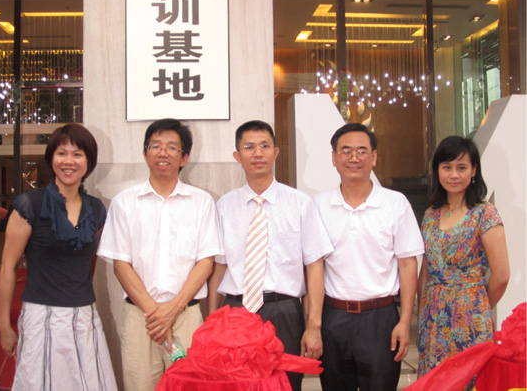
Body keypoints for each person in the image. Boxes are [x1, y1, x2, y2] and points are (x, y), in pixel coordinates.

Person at [97, 118, 222, 391]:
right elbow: (120, 264)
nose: (163, 152)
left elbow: (206, 262)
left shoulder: (202, 202)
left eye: (171, 147)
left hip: (186, 316)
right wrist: (156, 314)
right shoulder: (124, 202)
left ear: (184, 158)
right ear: (145, 154)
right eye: (155, 146)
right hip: (140, 318)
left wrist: (173, 309)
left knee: (190, 387)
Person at [208, 120, 333, 391]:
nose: (258, 153)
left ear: (275, 152)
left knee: (285, 384)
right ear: (237, 155)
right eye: (249, 147)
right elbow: (219, 267)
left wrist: (313, 326)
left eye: (264, 146)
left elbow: (314, 266)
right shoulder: (224, 206)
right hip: (235, 311)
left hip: (284, 312)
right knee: (235, 385)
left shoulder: (300, 203)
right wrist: (211, 321)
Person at [0, 124, 117, 390]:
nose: (68, 161)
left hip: (84, 315)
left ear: (89, 162)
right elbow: (7, 267)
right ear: (51, 158)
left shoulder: (96, 208)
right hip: (41, 316)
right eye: (62, 153)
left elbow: (89, 263)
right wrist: (4, 324)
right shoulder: (29, 205)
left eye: (77, 154)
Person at [314, 123, 424, 391]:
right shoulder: (318, 205)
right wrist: (312, 324)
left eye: (362, 151)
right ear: (334, 158)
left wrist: (405, 322)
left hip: (380, 319)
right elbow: (313, 267)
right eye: (346, 151)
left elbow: (408, 264)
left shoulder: (395, 203)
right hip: (333, 317)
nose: (354, 158)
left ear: (374, 157)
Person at [417, 136, 510, 384]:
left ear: (474, 170)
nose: (454, 175)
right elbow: (425, 269)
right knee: (434, 382)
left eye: (461, 167)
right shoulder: (430, 214)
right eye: (447, 167)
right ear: (437, 170)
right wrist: (422, 310)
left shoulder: (484, 213)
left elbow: (501, 275)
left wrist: (477, 305)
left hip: (470, 317)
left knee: (468, 380)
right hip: (433, 317)